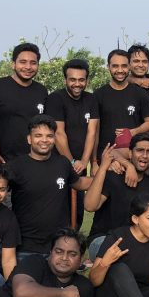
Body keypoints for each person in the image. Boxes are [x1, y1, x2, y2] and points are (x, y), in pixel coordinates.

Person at [7, 116, 92, 259]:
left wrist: (104, 174)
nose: (44, 140)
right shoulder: (16, 166)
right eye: (38, 136)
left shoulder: (63, 163)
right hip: (26, 247)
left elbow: (80, 183)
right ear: (29, 139)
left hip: (58, 247)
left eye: (49, 136)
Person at [85, 135, 149, 260]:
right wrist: (103, 167)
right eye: (140, 150)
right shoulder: (113, 177)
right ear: (130, 153)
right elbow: (90, 206)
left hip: (135, 243)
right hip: (103, 239)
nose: (144, 155)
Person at [0, 43, 49, 161]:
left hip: (35, 160)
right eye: (23, 62)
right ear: (13, 64)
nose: (28, 67)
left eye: (33, 63)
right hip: (4, 161)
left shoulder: (41, 91)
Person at [46, 58, 100, 207]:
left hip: (80, 166)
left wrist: (84, 161)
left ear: (87, 81)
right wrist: (71, 162)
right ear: (65, 80)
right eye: (72, 80)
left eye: (81, 80)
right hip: (59, 163)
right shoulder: (55, 99)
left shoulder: (91, 99)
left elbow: (92, 132)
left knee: (78, 209)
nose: (77, 84)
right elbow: (58, 134)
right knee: (59, 206)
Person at [93, 49, 149, 158]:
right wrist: (94, 161)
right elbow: (95, 131)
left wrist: (133, 132)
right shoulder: (98, 95)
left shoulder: (140, 93)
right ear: (108, 67)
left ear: (129, 66)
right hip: (106, 155)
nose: (120, 70)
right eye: (115, 66)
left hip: (133, 155)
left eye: (124, 66)